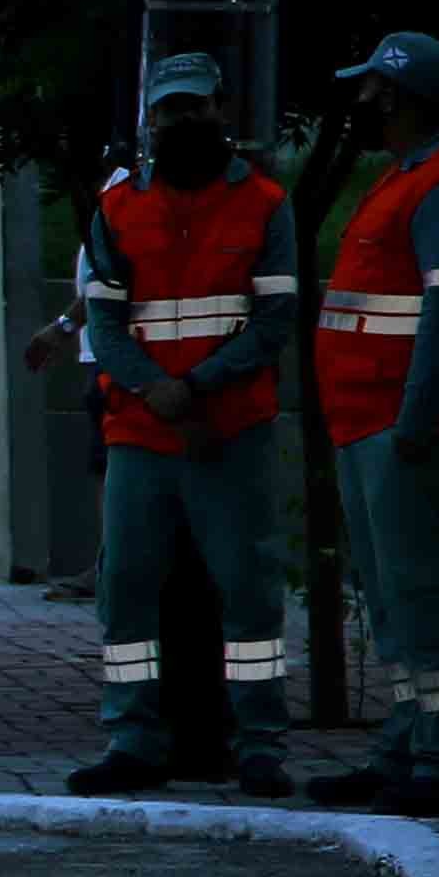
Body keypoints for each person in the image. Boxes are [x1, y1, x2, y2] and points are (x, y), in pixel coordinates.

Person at [64, 52, 299, 798]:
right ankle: (131, 738)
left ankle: (259, 743)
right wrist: (153, 390)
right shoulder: (116, 208)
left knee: (248, 588)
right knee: (126, 588)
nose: (183, 122)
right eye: (170, 111)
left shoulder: (263, 203)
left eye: (195, 108)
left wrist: (191, 388)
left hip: (229, 431)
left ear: (219, 111)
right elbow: (103, 321)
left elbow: (274, 319)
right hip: (141, 433)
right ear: (151, 119)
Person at [304, 30, 439, 817]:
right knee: (390, 595)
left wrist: (416, 420)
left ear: (399, 96)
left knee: (422, 591)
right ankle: (406, 746)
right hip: (367, 425)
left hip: (399, 427)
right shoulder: (404, 180)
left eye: (370, 94)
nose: (358, 107)